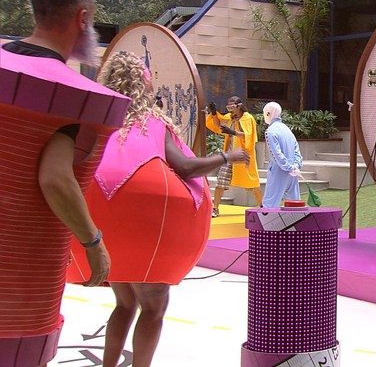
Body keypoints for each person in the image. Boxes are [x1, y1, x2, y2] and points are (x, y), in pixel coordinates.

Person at [65, 51, 249, 366]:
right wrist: (227, 158)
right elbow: (187, 168)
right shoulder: (151, 125)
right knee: (153, 307)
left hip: (104, 230)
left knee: (124, 304)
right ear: (144, 88)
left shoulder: (97, 123)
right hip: (146, 229)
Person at [0, 0, 129, 365]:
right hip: (19, 298)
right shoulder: (72, 100)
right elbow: (55, 178)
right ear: (83, 18)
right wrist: (94, 244)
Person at [206, 96, 262, 214]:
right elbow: (218, 125)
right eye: (228, 107)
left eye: (232, 107)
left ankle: (263, 206)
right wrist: (214, 112)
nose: (230, 110)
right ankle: (215, 208)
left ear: (239, 106)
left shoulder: (248, 118)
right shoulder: (229, 118)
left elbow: (248, 136)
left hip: (243, 155)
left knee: (252, 183)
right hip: (230, 155)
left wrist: (233, 132)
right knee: (221, 181)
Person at [262, 102, 304, 208]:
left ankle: (267, 224)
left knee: (270, 204)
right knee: (294, 204)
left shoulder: (270, 131)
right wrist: (295, 166)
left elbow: (276, 154)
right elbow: (297, 151)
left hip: (278, 172)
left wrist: (289, 167)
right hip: (292, 172)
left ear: (268, 114)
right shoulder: (287, 129)